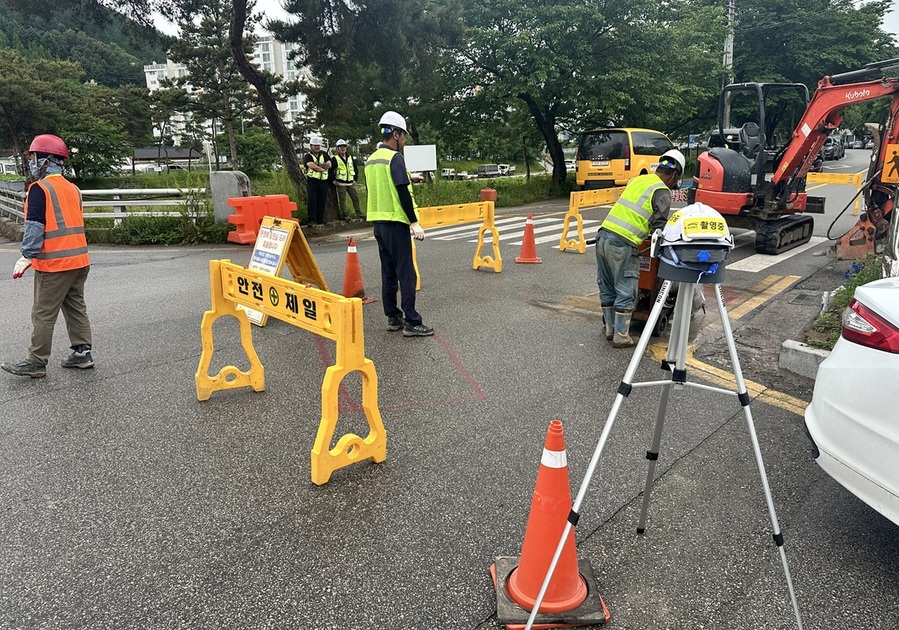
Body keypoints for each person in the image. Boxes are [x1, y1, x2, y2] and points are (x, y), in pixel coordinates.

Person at [1, 134, 94, 378]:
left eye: (33, 158)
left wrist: (27, 255)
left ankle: (36, 361)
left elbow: (34, 226)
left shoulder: (39, 189)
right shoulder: (73, 189)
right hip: (79, 261)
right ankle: (82, 353)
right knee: (75, 307)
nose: (31, 164)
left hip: (55, 263)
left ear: (45, 161)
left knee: (43, 313)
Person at [595, 149, 685, 348]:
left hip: (603, 236)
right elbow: (659, 227)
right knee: (626, 287)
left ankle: (610, 330)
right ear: (674, 175)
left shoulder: (638, 180)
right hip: (623, 242)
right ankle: (621, 337)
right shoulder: (662, 190)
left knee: (607, 285)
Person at [365, 111, 433, 337]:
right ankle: (412, 321)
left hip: (379, 224)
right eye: (403, 135)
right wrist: (414, 222)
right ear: (395, 134)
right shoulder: (395, 158)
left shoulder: (371, 160)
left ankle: (393, 317)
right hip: (396, 223)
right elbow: (402, 191)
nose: (404, 140)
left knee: (388, 272)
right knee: (406, 273)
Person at [303, 134, 331, 229]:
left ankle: (320, 219)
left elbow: (329, 164)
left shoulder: (324, 154)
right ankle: (311, 220)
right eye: (315, 145)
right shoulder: (308, 156)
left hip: (323, 182)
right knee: (312, 201)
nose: (317, 147)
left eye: (318, 145)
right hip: (313, 182)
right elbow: (311, 165)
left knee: (322, 201)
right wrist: (322, 168)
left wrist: (321, 167)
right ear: (311, 146)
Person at [330, 139, 363, 221]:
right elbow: (330, 170)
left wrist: (355, 179)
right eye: (341, 147)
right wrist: (333, 180)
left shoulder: (350, 157)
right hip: (341, 183)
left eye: (344, 147)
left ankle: (359, 213)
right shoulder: (335, 159)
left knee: (355, 198)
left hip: (350, 183)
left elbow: (355, 169)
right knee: (342, 200)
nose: (343, 148)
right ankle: (344, 215)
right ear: (337, 148)